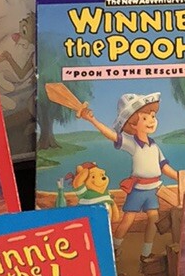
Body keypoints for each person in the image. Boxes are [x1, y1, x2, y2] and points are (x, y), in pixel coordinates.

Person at [75, 90, 178, 265]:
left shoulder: (154, 146)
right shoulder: (132, 143)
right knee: (128, 220)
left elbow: (164, 167)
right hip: (138, 190)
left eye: (153, 116)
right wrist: (92, 120)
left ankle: (146, 254)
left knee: (153, 219)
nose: (151, 120)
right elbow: (111, 135)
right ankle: (114, 249)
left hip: (154, 189)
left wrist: (179, 176)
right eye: (145, 118)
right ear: (132, 124)